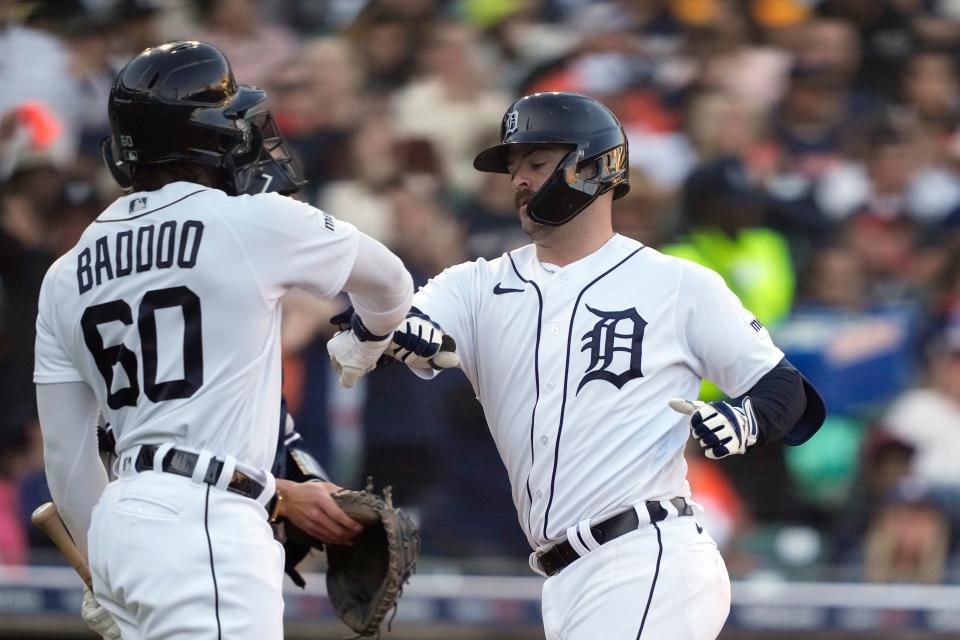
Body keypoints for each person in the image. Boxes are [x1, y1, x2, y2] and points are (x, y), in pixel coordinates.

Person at [342, 92, 826, 639]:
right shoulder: (474, 284)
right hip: (563, 575)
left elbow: (791, 393)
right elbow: (368, 335)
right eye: (515, 168)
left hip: (647, 555)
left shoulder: (676, 283)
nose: (520, 180)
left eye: (538, 163)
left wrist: (745, 420)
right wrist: (392, 332)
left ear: (595, 167)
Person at [33, 41, 414, 640]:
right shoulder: (250, 220)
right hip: (206, 517)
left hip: (123, 521)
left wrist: (103, 574)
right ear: (205, 137)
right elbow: (392, 282)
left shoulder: (63, 274)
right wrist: (361, 344)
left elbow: (69, 460)